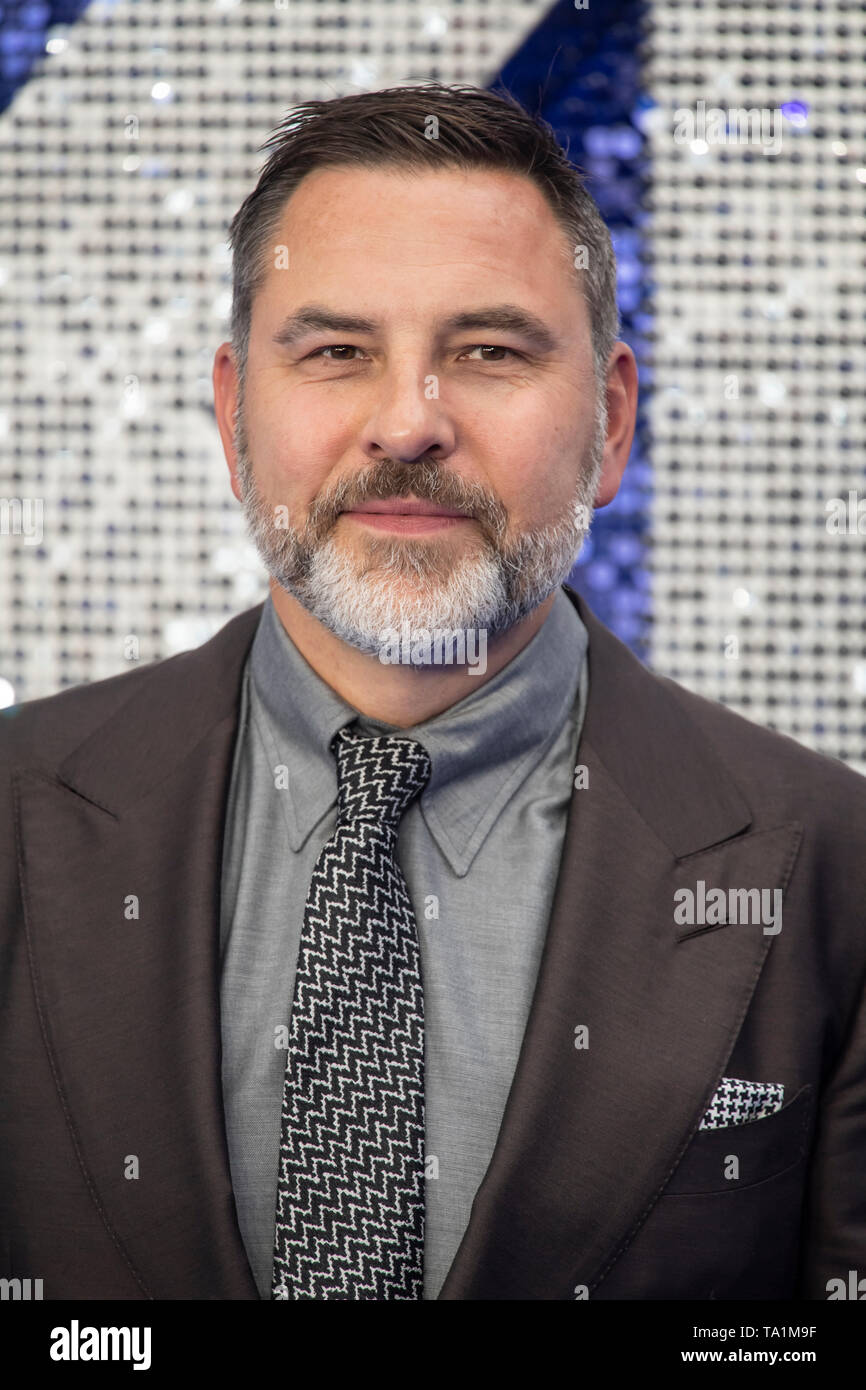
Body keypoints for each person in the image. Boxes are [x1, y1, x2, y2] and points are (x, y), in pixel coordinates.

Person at [1, 83, 864, 1302]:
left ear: (611, 423)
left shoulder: (834, 864)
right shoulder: (14, 810)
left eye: (488, 352)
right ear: (234, 415)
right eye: (337, 352)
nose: (406, 423)